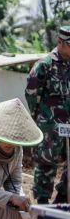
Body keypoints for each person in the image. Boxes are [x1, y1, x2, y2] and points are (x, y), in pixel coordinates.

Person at [25, 25, 70, 204]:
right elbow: (31, 93)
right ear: (60, 42)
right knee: (46, 164)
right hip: (49, 125)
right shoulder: (45, 65)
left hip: (69, 125)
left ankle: (62, 198)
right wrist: (39, 117)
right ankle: (42, 205)